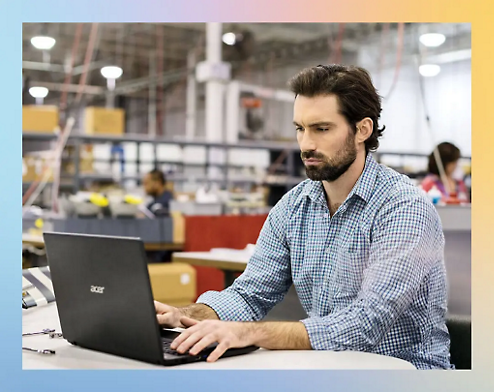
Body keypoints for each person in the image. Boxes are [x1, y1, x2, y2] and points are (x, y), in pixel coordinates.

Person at [154, 64, 452, 370]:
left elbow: (367, 322)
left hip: (406, 375)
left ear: (362, 130)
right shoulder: (293, 207)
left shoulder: (403, 206)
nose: (307, 144)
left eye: (322, 129)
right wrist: (188, 316)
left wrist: (250, 333)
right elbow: (250, 294)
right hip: (330, 369)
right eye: (300, 128)